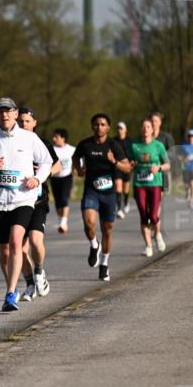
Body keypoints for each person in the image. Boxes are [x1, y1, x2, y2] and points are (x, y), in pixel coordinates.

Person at [0, 97, 52, 312]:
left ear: (15, 114)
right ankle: (18, 284)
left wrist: (38, 179)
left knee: (17, 241)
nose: (4, 115)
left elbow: (46, 161)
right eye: (0, 111)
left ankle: (10, 293)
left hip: (23, 199)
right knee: (5, 251)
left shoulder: (29, 138)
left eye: (8, 111)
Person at [72, 113, 132, 282]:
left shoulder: (114, 145)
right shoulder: (85, 144)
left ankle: (104, 264)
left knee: (108, 229)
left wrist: (114, 161)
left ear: (108, 128)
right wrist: (80, 169)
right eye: (96, 124)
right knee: (89, 223)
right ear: (92, 127)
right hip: (91, 191)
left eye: (103, 124)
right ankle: (93, 245)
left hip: (109, 193)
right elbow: (75, 157)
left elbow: (127, 168)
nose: (99, 127)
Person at [16, 108, 60, 301]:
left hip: (38, 200)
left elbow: (57, 165)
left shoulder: (42, 143)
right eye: (21, 121)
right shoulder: (13, 143)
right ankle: (29, 284)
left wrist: (41, 174)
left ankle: (40, 271)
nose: (23, 124)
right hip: (17, 200)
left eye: (27, 121)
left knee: (35, 240)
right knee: (21, 248)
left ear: (35, 123)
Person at [130, 119, 170, 256]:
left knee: (153, 215)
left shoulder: (158, 146)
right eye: (143, 127)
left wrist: (158, 167)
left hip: (155, 184)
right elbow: (129, 163)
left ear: (152, 130)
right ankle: (148, 246)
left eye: (148, 127)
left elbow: (167, 165)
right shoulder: (134, 146)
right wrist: (131, 164)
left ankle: (157, 235)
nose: (145, 129)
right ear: (141, 130)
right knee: (143, 215)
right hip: (139, 184)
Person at [50, 128, 75, 233]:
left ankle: (64, 222)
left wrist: (77, 170)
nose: (54, 139)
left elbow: (78, 161)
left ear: (63, 138)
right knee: (58, 203)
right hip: (55, 178)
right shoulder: (51, 149)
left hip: (67, 177)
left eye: (56, 137)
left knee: (64, 199)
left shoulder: (72, 149)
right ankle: (61, 219)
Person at [150, 111, 175, 195]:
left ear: (160, 123)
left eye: (156, 121)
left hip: (162, 170)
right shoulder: (146, 137)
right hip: (148, 170)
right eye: (152, 121)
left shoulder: (166, 137)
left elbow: (172, 152)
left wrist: (161, 155)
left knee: (158, 198)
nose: (153, 123)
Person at [113, 122, 134, 219]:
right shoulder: (113, 141)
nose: (119, 130)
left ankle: (125, 202)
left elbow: (134, 153)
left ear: (125, 130)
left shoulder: (130, 141)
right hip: (117, 167)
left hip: (127, 167)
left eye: (121, 128)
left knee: (126, 190)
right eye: (118, 128)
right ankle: (119, 209)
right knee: (118, 188)